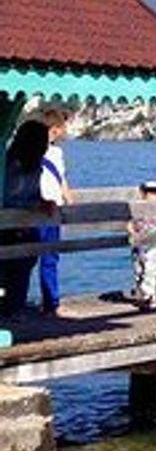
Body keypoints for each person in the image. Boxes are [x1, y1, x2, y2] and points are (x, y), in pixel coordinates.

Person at [0, 122, 56, 317]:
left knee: (23, 264)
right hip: (10, 223)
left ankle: (14, 307)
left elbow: (32, 193)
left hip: (24, 224)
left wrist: (43, 202)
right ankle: (12, 308)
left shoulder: (35, 165)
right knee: (15, 265)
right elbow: (10, 195)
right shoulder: (11, 164)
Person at [37, 108, 73, 316]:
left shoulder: (57, 153)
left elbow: (61, 179)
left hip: (55, 210)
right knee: (30, 257)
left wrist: (70, 201)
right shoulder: (35, 151)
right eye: (62, 128)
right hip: (40, 210)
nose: (65, 132)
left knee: (51, 257)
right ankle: (45, 302)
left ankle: (51, 302)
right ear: (54, 129)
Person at [128, 181, 156, 309]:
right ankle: (142, 293)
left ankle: (148, 296)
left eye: (155, 193)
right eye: (149, 192)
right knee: (139, 270)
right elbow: (130, 224)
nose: (153, 196)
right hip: (139, 244)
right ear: (143, 193)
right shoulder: (137, 207)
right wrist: (132, 233)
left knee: (152, 269)